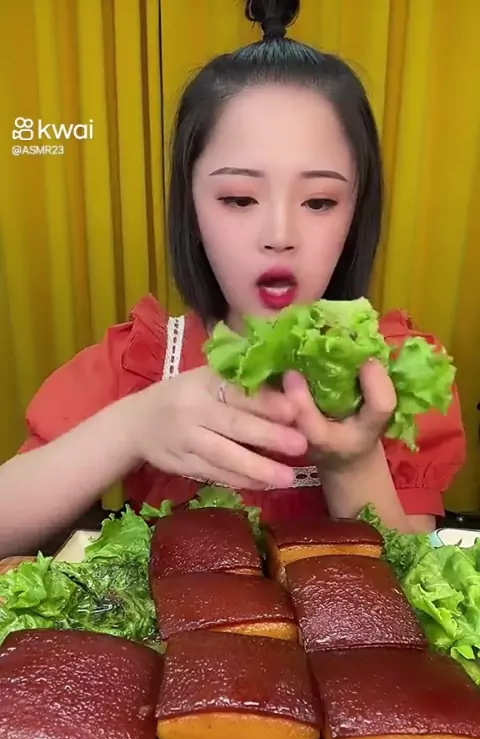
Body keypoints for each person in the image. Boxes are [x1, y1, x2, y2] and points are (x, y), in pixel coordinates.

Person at [0, 0, 465, 559]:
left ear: (356, 212)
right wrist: (132, 427)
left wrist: (350, 461)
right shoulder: (141, 363)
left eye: (320, 201)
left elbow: (412, 589)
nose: (279, 235)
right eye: (240, 198)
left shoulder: (398, 370)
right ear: (192, 208)